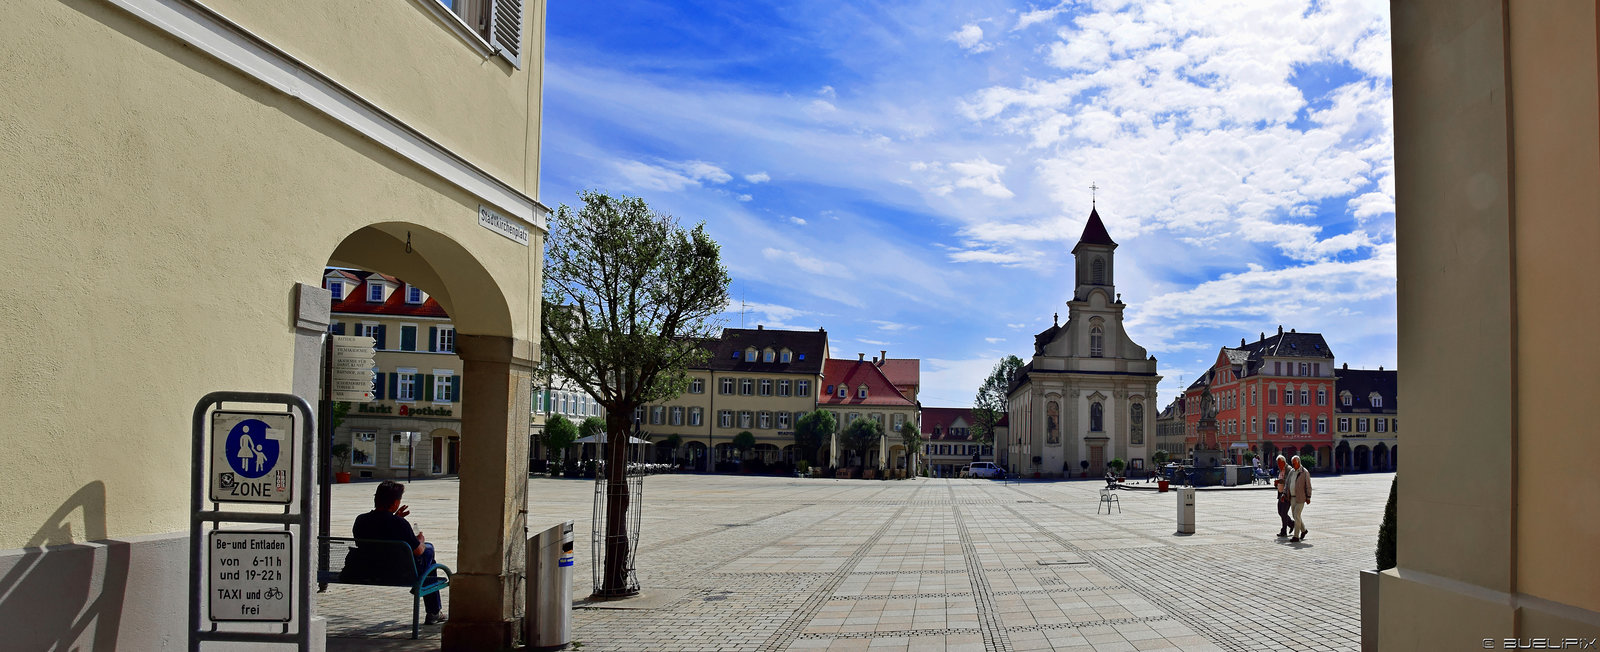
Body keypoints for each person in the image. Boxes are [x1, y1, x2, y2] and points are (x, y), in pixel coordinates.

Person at [353, 480, 446, 624]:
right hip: (399, 573)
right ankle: (433, 611)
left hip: (367, 570)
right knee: (428, 551)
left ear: (376, 499)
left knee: (428, 562)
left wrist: (396, 517)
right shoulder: (399, 524)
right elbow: (418, 551)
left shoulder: (361, 520)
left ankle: (434, 610)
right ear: (396, 503)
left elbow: (380, 531)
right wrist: (420, 539)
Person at [1287, 455, 1313, 542]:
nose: (1293, 465)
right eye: (1292, 463)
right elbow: (1288, 483)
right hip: (1292, 497)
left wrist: (1308, 497)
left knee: (1296, 515)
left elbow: (1308, 486)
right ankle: (1304, 530)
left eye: (1294, 463)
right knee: (1296, 516)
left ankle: (1296, 536)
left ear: (1298, 462)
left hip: (1301, 497)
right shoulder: (1291, 471)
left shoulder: (1304, 472)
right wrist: (1284, 493)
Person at [1273, 455, 1294, 538]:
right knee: (1280, 512)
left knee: (1284, 512)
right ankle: (1292, 524)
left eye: (1279, 463)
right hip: (1280, 493)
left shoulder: (1288, 469)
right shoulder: (1281, 470)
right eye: (1277, 463)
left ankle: (1283, 530)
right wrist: (1276, 484)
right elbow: (1281, 481)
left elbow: (1290, 481)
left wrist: (1280, 481)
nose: (1278, 465)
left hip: (1287, 494)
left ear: (1283, 462)